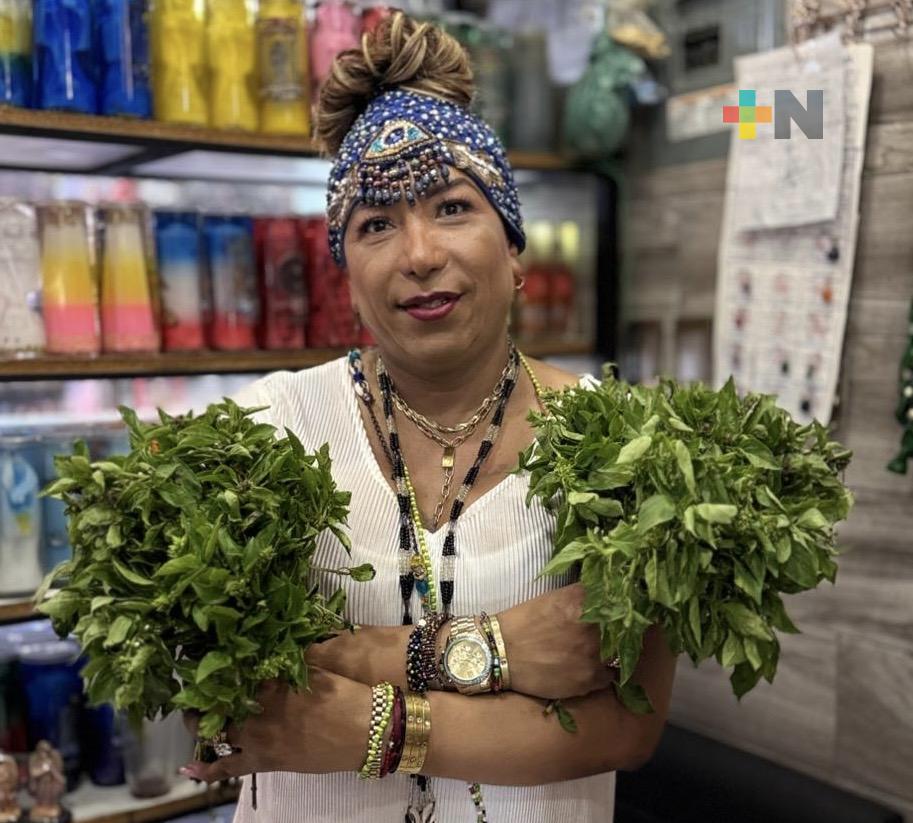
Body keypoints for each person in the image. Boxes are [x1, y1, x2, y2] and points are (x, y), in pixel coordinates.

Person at [181, 13, 676, 822]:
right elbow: (221, 683)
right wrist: (497, 651)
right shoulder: (265, 430)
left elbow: (623, 725)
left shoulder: (620, 443)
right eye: (375, 225)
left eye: (450, 208)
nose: (417, 254)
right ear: (347, 273)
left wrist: (359, 699)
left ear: (513, 249)